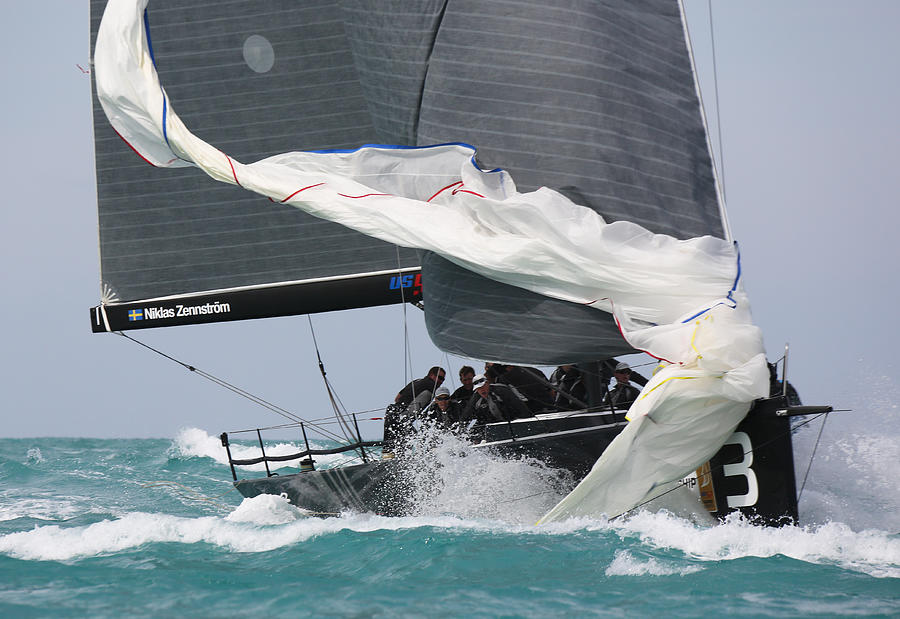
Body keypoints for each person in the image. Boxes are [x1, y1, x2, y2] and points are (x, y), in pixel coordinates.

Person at [383, 366, 446, 455]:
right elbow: (443, 398)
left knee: (391, 444)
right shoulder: (432, 385)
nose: (441, 381)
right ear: (431, 375)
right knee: (416, 439)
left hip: (393, 411)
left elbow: (397, 398)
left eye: (443, 379)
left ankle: (389, 457)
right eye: (439, 378)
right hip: (402, 417)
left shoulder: (416, 381)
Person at [460, 373, 532, 425]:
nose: (482, 390)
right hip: (495, 426)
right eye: (478, 388)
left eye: (483, 386)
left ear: (488, 383)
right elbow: (466, 414)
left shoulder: (501, 390)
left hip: (514, 421)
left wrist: (526, 421)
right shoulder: (475, 398)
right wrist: (461, 428)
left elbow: (520, 406)